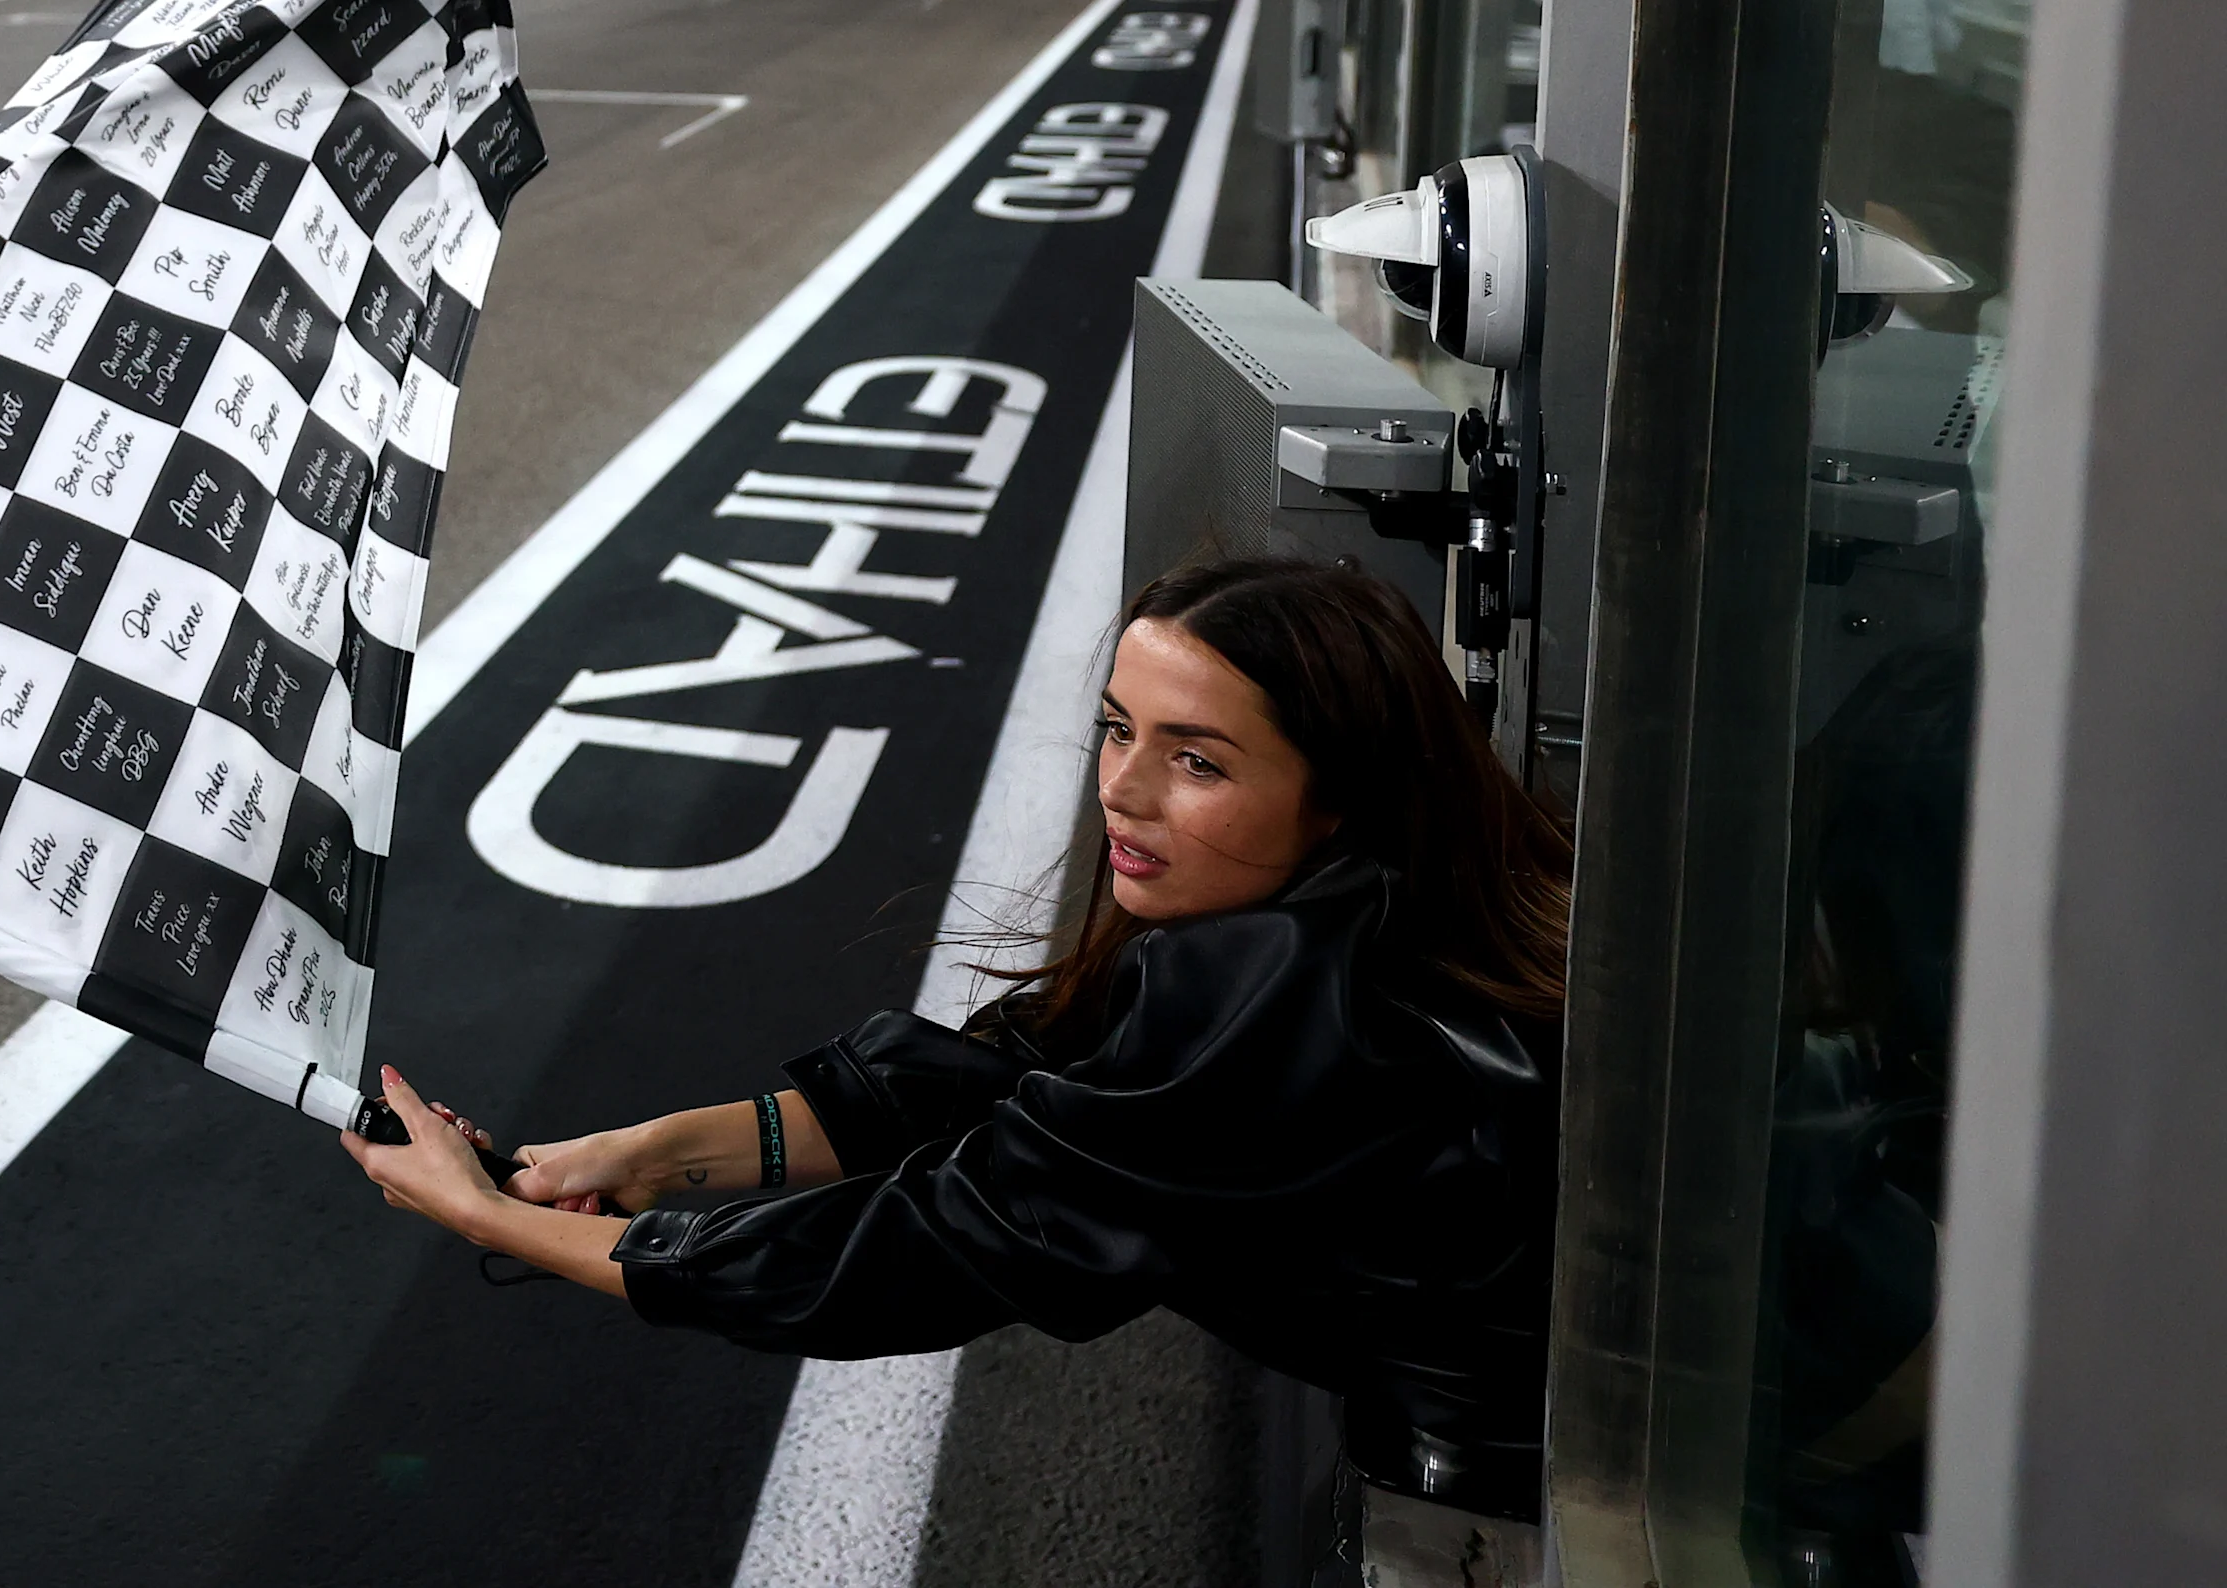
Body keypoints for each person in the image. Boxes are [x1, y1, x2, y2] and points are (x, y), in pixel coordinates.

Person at [344, 557, 1574, 1517]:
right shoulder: (1402, 891)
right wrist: (651, 1155)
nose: (1123, 789)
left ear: (1341, 793)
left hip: (1498, 1472)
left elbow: (916, 1254)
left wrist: (490, 1219)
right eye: (1114, 727)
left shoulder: (1272, 987)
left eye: (1194, 760)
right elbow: (1007, 1074)